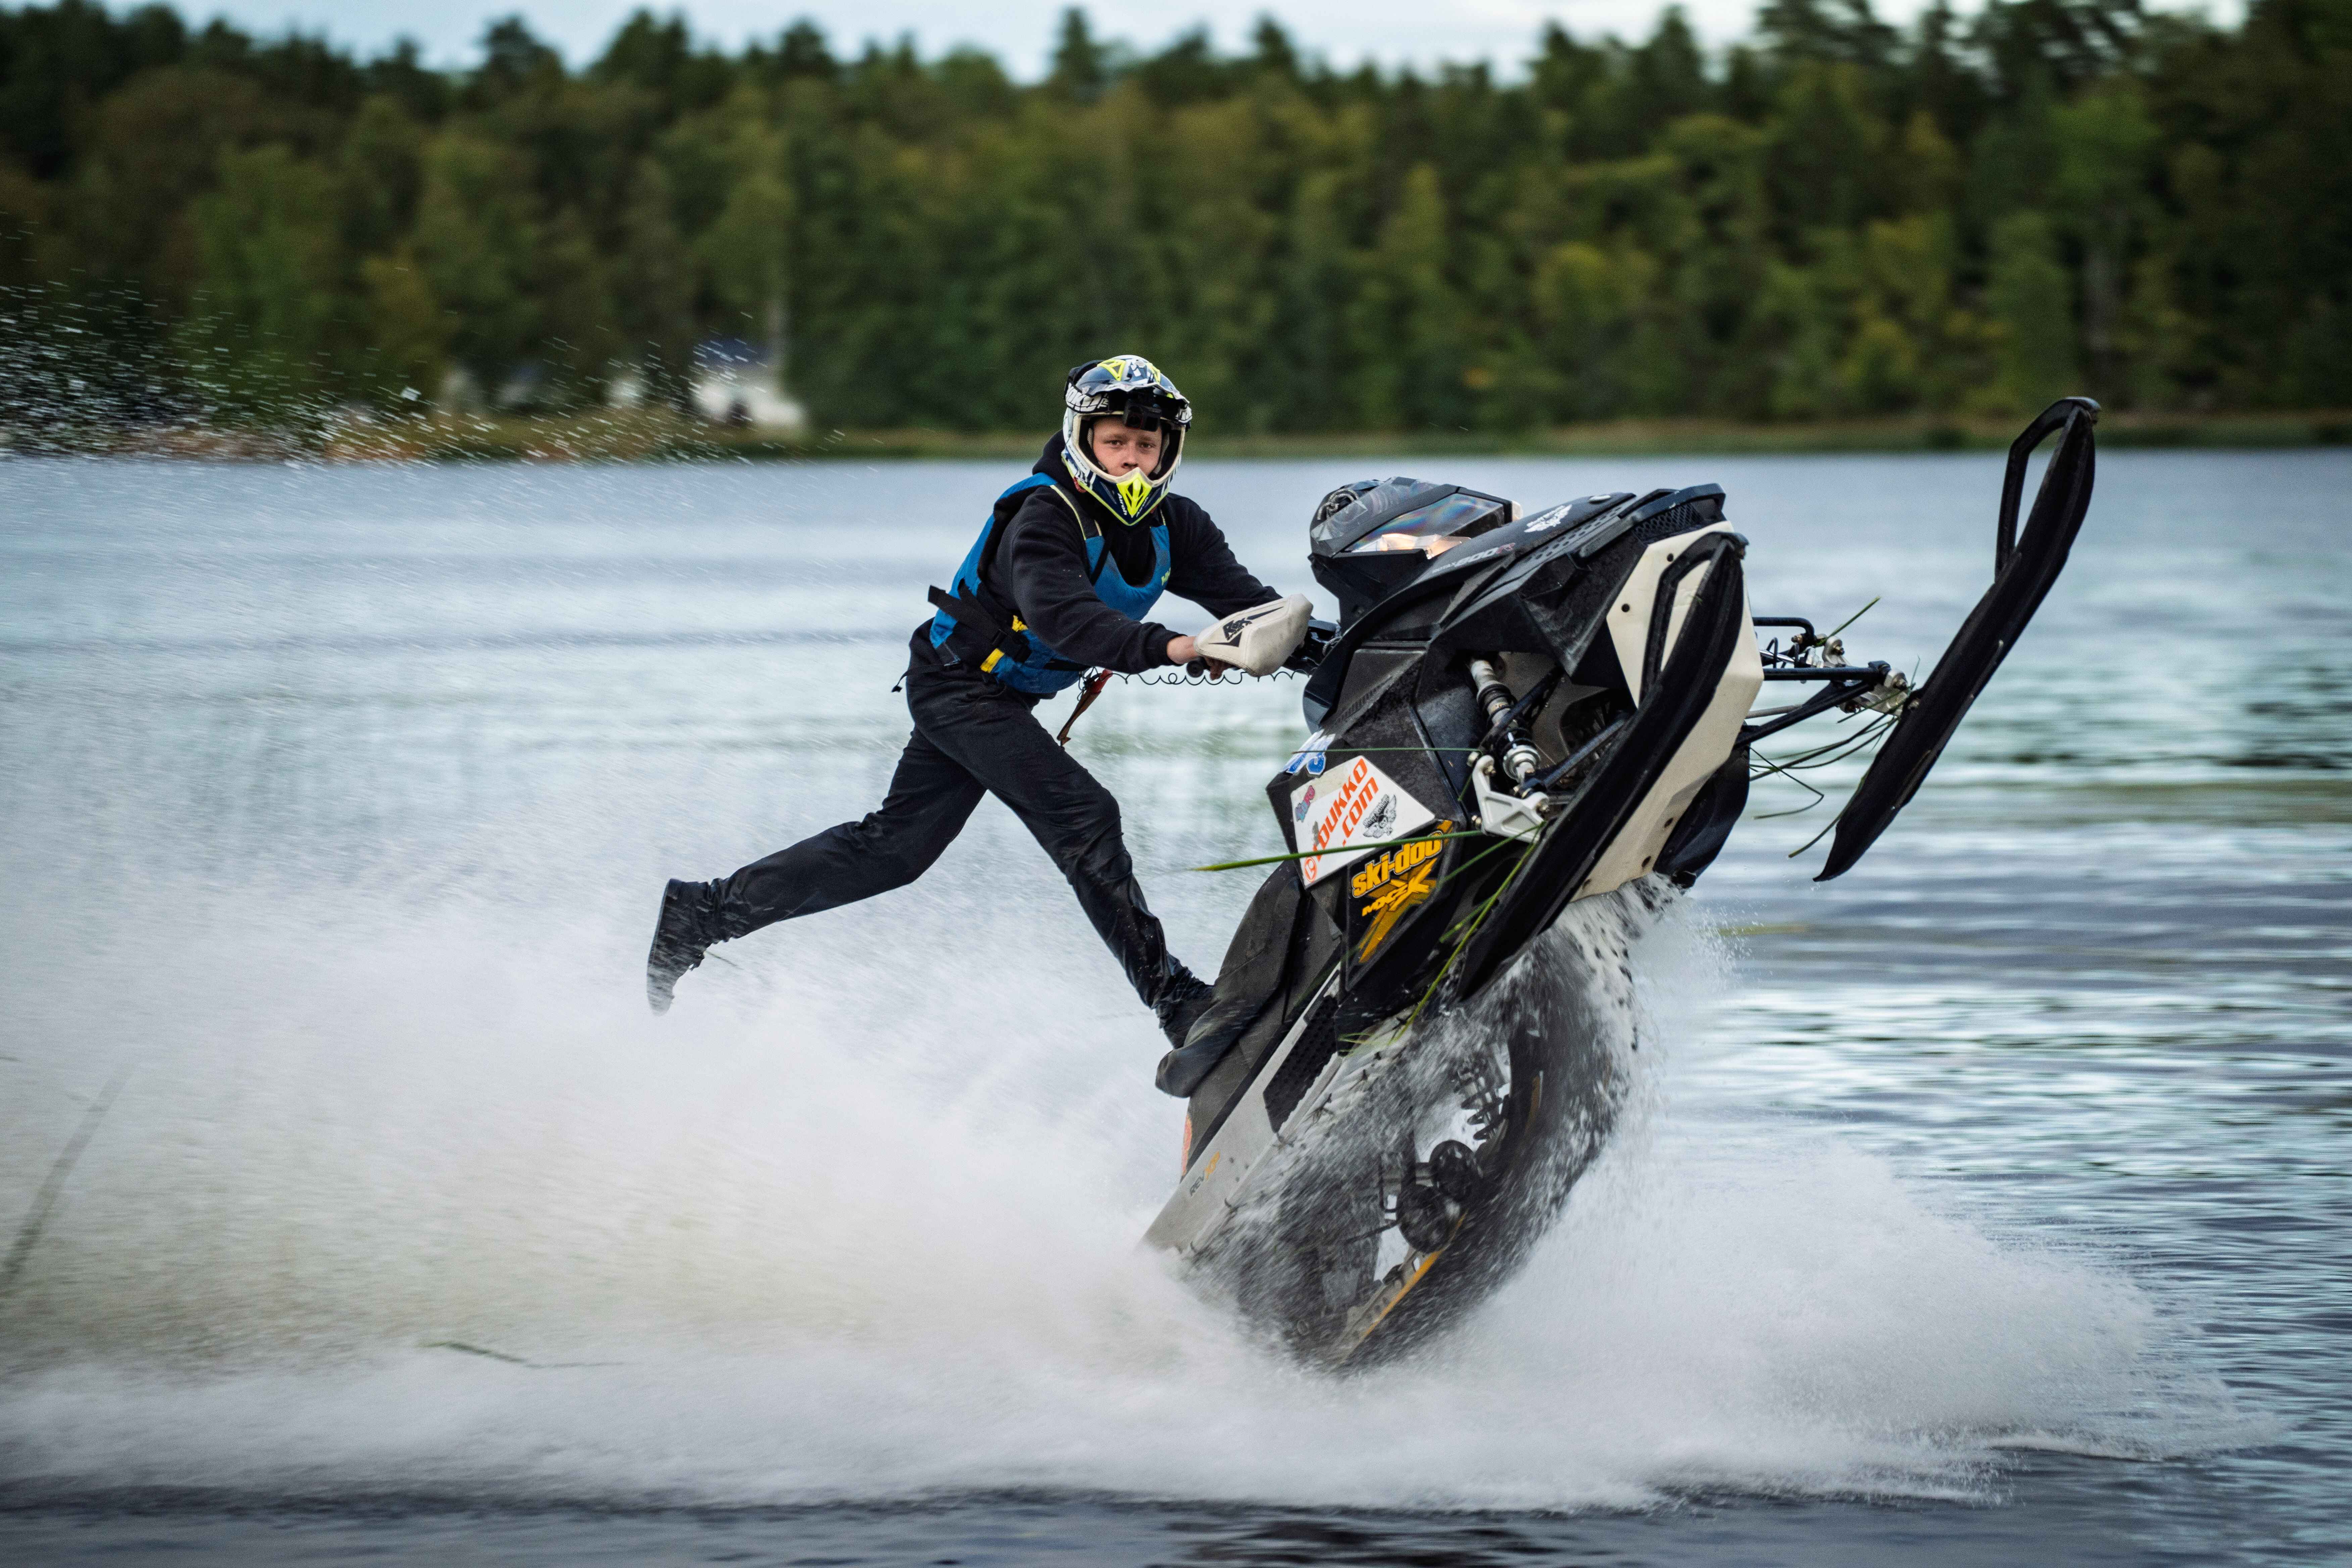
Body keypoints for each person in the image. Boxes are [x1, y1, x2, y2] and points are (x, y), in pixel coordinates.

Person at [644, 355, 1306, 1073]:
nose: (1132, 461)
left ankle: (702, 912)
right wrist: (1179, 646)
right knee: (1085, 815)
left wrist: (1350, 642)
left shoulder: (1178, 525)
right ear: (1082, 438)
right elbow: (1063, 619)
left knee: (895, 851)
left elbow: (1257, 610)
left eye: (1147, 445)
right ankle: (1175, 1000)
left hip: (1000, 697)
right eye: (1116, 442)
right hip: (957, 687)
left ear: (1168, 450)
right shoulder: (1045, 514)